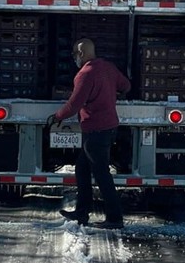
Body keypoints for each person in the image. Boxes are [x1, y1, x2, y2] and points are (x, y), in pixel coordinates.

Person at [47, 38, 130, 229]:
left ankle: (115, 218)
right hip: (108, 128)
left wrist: (57, 116)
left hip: (95, 130)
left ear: (81, 54)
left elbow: (74, 104)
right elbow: (126, 85)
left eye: (75, 54)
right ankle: (82, 212)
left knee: (102, 175)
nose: (74, 58)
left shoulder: (85, 74)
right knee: (82, 168)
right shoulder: (108, 68)